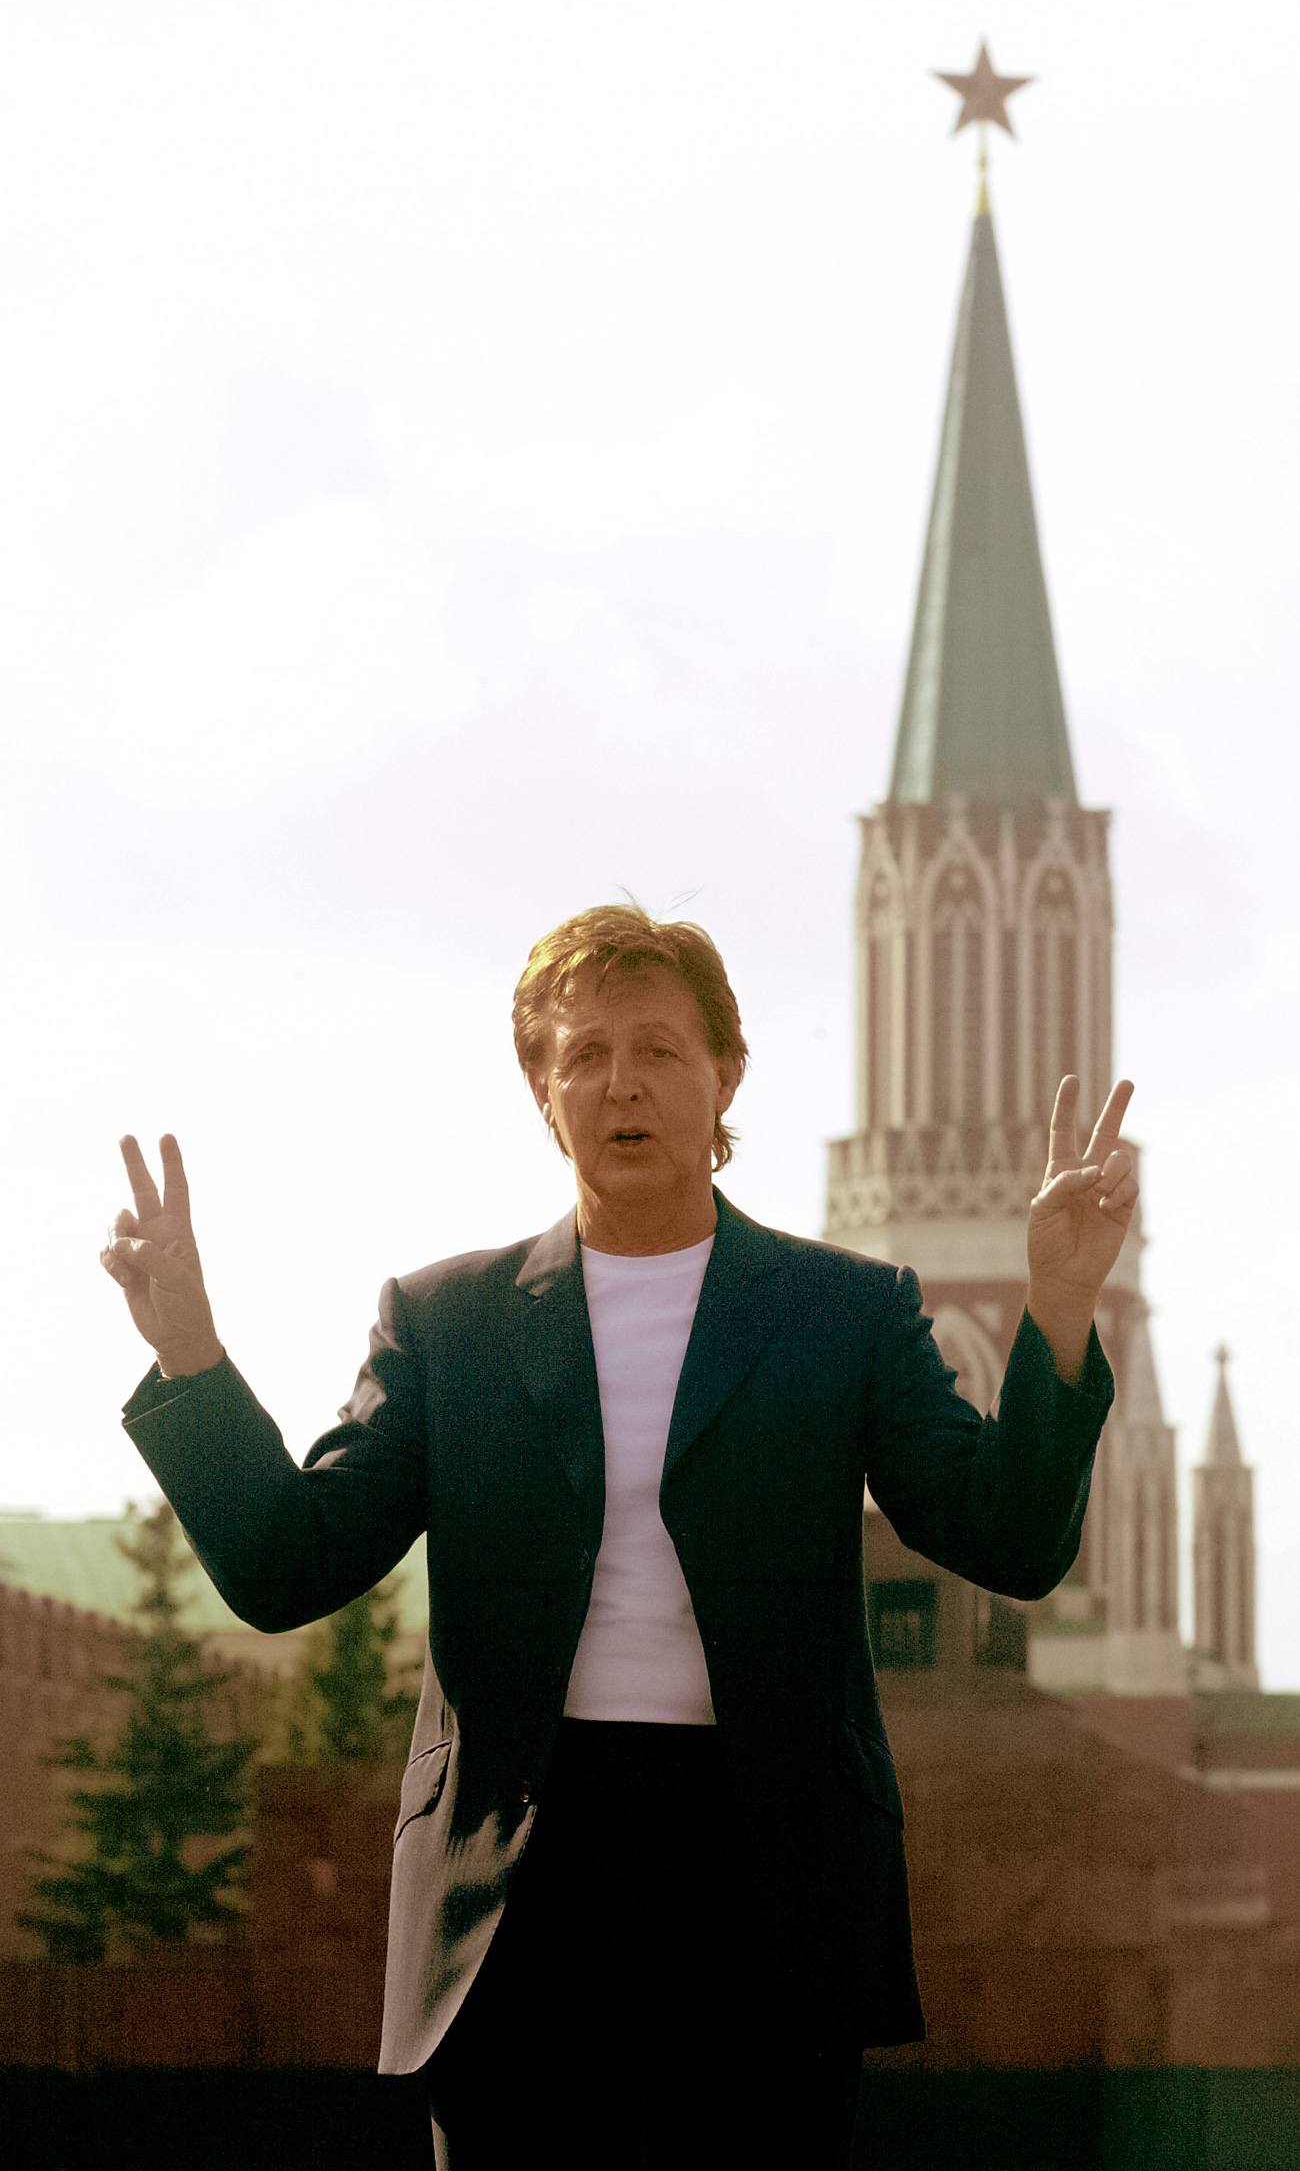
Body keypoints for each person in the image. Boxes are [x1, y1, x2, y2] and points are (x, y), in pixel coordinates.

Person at [102, 903, 1134, 2169]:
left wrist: (1062, 1311)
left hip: (766, 1875)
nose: (620, 1082)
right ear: (542, 1088)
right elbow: (286, 1563)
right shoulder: (448, 1320)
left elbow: (1009, 1537)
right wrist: (189, 1353)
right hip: (514, 1885)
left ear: (724, 1075)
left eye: (656, 1047)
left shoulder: (843, 1311)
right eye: (582, 1053)